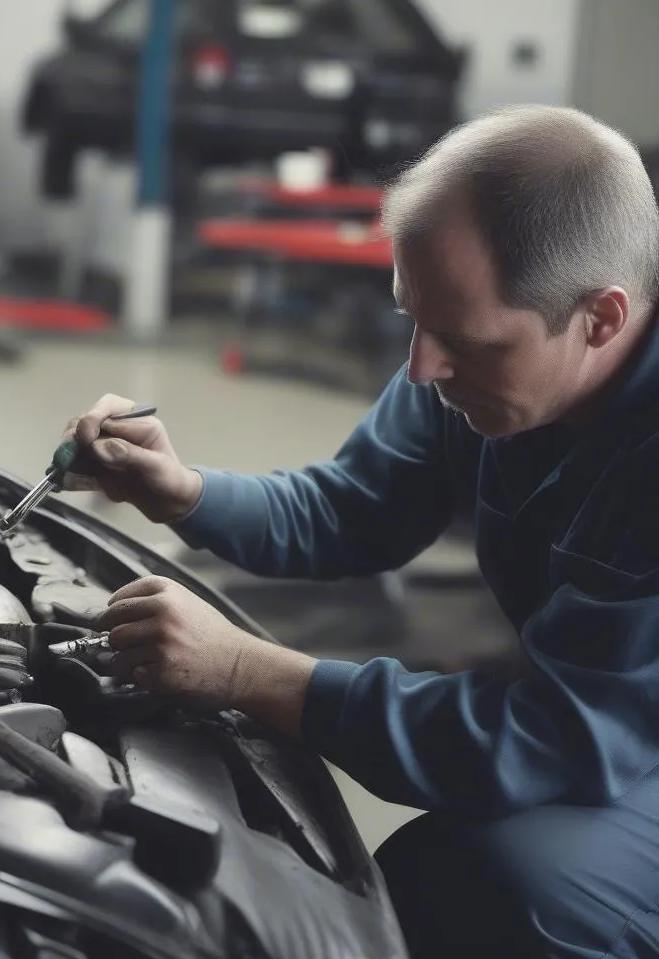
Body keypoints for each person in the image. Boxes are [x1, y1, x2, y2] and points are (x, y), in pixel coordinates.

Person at [64, 104, 659, 959]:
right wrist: (183, 491)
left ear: (600, 319)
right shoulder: (473, 358)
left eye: (461, 340)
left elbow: (556, 736)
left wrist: (246, 670)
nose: (421, 369)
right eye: (412, 318)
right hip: (610, 711)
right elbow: (353, 507)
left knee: (502, 890)